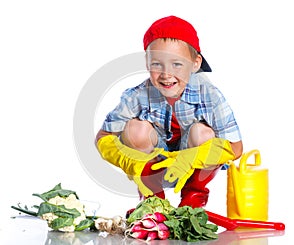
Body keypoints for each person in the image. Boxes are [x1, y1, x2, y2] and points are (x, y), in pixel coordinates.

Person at [95, 15, 243, 208]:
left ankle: (193, 199)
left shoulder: (210, 96)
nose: (166, 74)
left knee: (203, 133)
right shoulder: (137, 96)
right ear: (148, 63)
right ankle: (152, 199)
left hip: (192, 165)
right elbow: (103, 136)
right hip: (154, 165)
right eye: (157, 64)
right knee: (134, 129)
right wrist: (131, 161)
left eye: (177, 64)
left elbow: (236, 148)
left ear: (195, 64)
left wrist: (191, 158)